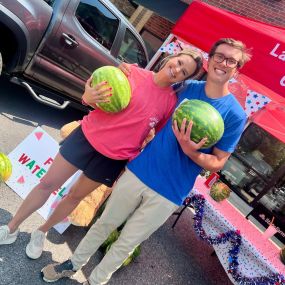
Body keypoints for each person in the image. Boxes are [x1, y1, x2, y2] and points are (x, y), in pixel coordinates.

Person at [40, 38, 251, 285]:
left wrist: (191, 152)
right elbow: (152, 83)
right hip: (139, 171)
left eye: (231, 61)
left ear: (237, 69)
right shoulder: (185, 87)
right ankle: (72, 264)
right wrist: (127, 71)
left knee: (127, 242)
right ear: (210, 58)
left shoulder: (235, 115)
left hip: (170, 191)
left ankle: (95, 280)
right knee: (104, 224)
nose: (223, 63)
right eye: (219, 56)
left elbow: (218, 162)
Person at [0, 49, 203, 259]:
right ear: (171, 58)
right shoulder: (130, 72)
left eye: (184, 72)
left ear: (185, 79)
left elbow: (152, 136)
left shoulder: (170, 104)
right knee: (47, 184)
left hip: (113, 159)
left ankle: (41, 232)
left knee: (74, 197)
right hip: (86, 138)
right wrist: (87, 97)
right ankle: (12, 228)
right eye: (179, 62)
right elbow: (92, 95)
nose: (177, 69)